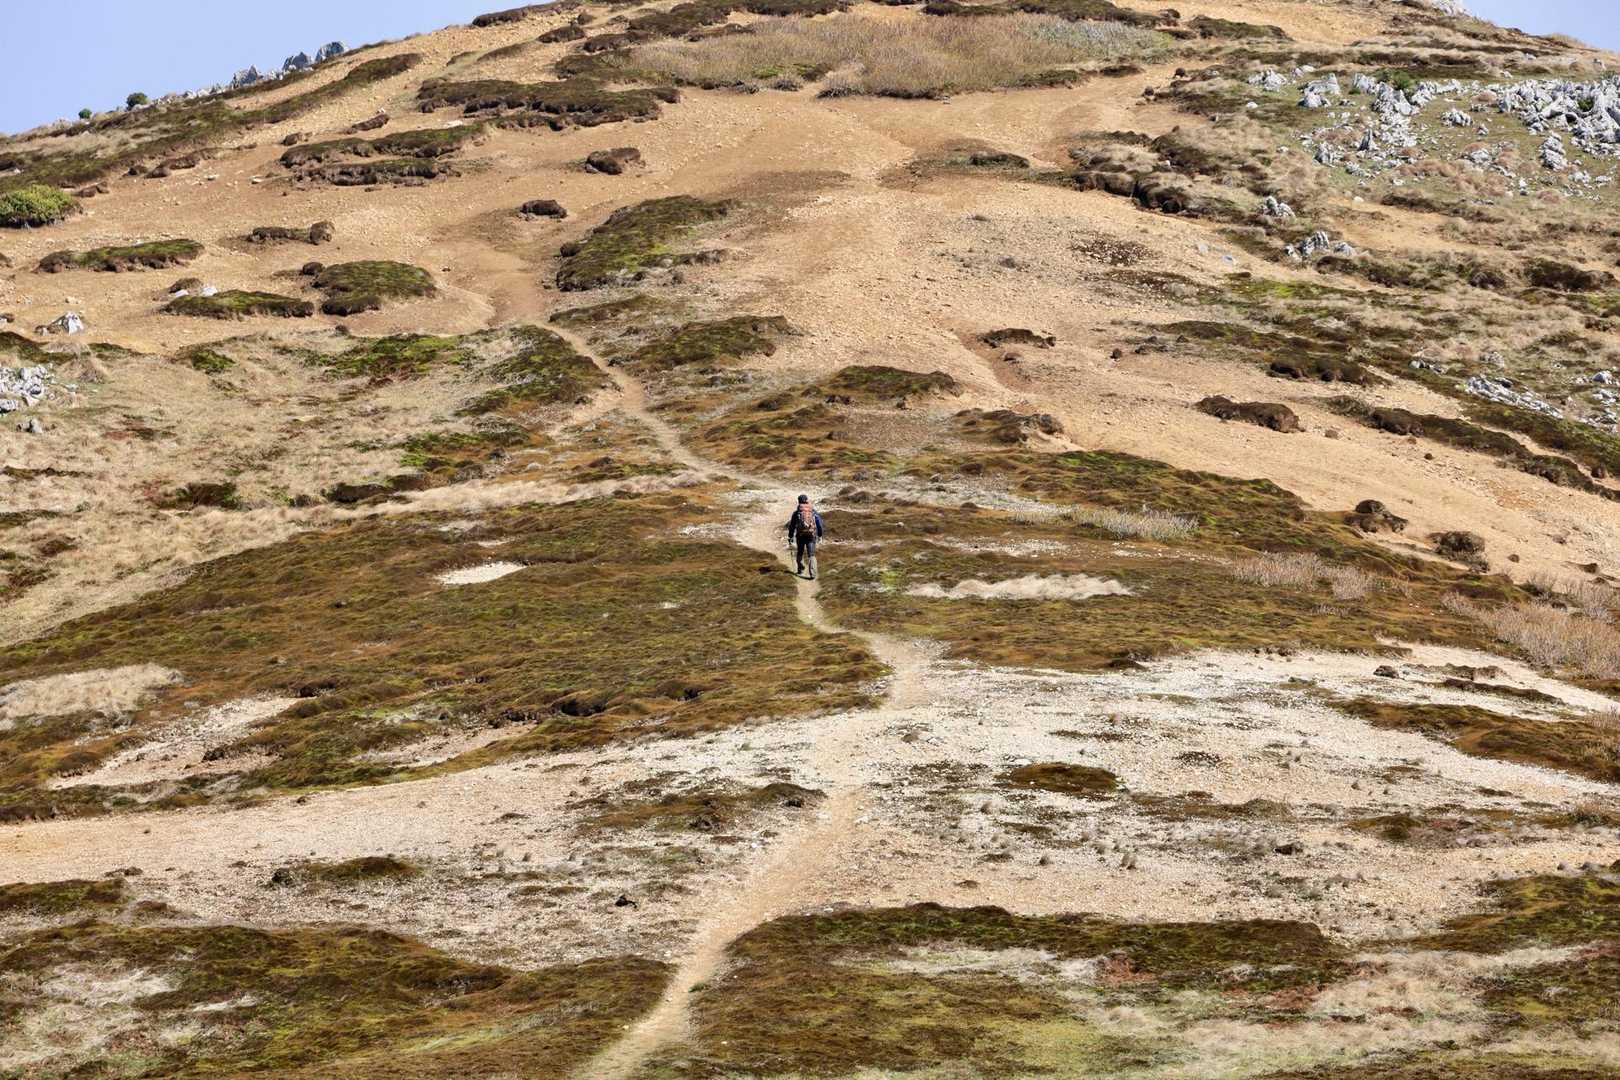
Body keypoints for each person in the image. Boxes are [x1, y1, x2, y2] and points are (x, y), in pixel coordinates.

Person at [785, 494, 824, 579]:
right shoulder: (813, 511)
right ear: (807, 500)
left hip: (800, 536)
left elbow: (792, 526)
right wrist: (820, 535)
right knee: (811, 554)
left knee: (800, 552)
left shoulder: (796, 513)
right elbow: (819, 524)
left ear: (799, 502)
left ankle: (800, 569)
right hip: (811, 536)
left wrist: (790, 536)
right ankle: (813, 574)